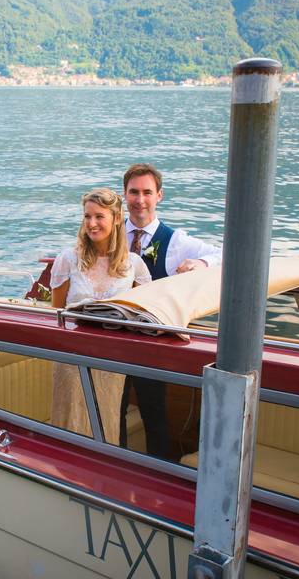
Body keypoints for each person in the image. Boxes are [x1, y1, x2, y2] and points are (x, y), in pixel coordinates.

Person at [120, 163, 223, 458]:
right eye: (134, 192)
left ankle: (157, 472)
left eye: (147, 192)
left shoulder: (176, 241)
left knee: (155, 413)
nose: (140, 200)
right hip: (113, 337)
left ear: (159, 196)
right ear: (125, 195)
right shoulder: (111, 234)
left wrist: (199, 264)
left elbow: (220, 252)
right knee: (113, 407)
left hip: (152, 342)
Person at [50, 188, 151, 442]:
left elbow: (143, 314)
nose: (91, 224)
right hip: (71, 357)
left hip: (112, 360)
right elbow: (57, 313)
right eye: (87, 217)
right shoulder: (68, 259)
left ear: (116, 218)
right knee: (70, 419)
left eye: (99, 217)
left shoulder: (134, 265)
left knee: (107, 420)